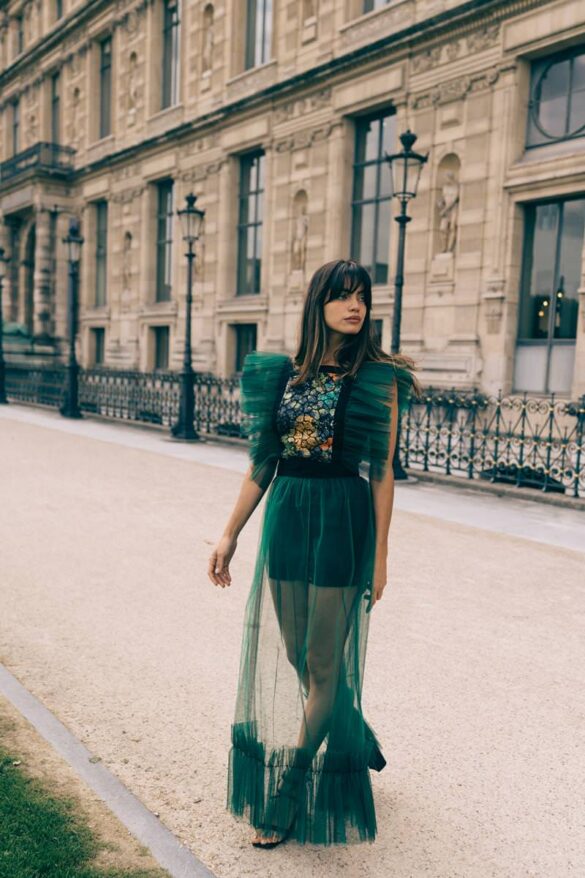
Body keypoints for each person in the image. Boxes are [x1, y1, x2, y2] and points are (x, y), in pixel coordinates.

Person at [208, 259, 421, 848]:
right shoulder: (283, 375)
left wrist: (379, 557)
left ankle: (289, 790)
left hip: (341, 520)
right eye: (342, 296)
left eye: (363, 297)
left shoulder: (378, 379)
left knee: (324, 664)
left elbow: (381, 473)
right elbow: (262, 462)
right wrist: (230, 533)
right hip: (287, 516)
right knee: (302, 657)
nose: (356, 306)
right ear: (317, 303)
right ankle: (353, 733)